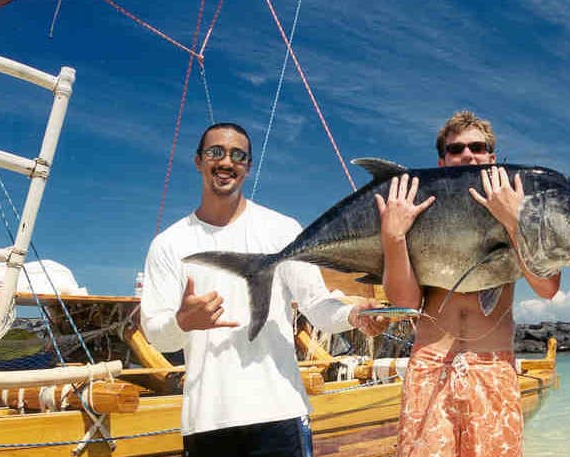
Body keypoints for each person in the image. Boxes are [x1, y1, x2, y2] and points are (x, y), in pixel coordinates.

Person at [140, 122, 387, 457]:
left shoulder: (282, 229)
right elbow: (158, 335)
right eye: (216, 152)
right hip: (207, 421)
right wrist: (184, 322)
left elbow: (316, 305)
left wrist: (354, 314)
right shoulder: (168, 244)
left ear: (248, 167)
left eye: (238, 155)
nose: (226, 161)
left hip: (279, 412)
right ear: (198, 161)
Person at [375, 111, 561, 457]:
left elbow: (548, 287)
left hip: (494, 370)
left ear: (492, 156)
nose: (468, 155)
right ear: (442, 161)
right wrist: (393, 238)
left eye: (478, 147)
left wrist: (514, 221)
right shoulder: (418, 209)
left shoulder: (522, 207)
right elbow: (406, 301)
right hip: (429, 369)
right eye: (456, 148)